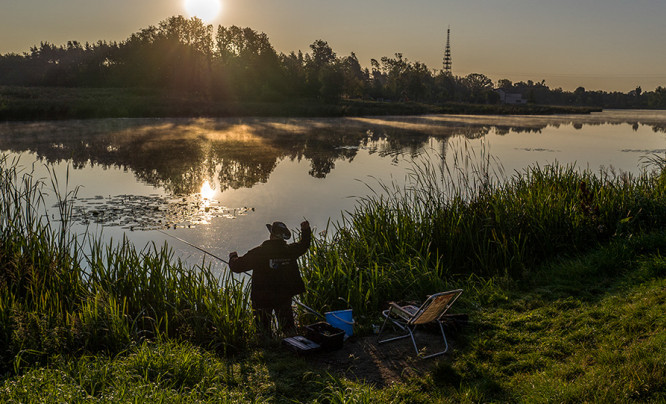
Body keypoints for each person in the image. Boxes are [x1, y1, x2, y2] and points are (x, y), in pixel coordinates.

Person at [229, 220, 311, 337]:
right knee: (288, 329)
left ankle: (267, 346)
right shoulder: (290, 251)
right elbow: (304, 245)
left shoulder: (259, 253)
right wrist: (306, 231)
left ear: (271, 235)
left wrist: (233, 257)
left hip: (262, 298)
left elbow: (237, 266)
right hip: (284, 295)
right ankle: (291, 345)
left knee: (262, 331)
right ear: (283, 238)